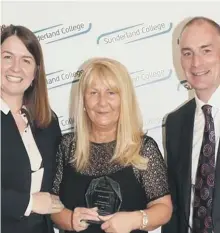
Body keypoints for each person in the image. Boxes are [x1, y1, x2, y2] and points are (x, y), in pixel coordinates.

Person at [51, 57, 172, 233]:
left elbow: (163, 208)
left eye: (111, 93)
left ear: (125, 99)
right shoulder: (67, 146)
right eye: (93, 93)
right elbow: (52, 204)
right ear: (83, 101)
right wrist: (70, 219)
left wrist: (133, 220)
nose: (102, 102)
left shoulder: (143, 148)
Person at [1, 25, 64, 233]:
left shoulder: (46, 120)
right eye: (7, 57)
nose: (15, 68)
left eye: (26, 60)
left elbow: (58, 182)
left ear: (36, 71)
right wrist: (28, 203)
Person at [162, 17, 220, 233]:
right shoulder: (176, 123)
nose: (196, 63)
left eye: (206, 51)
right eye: (187, 53)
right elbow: (175, 204)